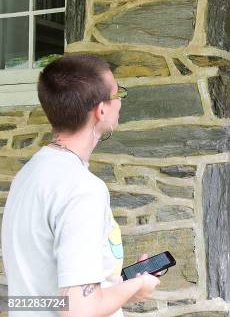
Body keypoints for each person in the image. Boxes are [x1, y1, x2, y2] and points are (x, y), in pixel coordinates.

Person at [1, 55, 159, 317]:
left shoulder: (27, 175)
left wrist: (124, 287)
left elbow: (31, 300)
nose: (120, 100)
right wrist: (138, 285)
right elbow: (78, 310)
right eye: (117, 92)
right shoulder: (82, 189)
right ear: (101, 110)